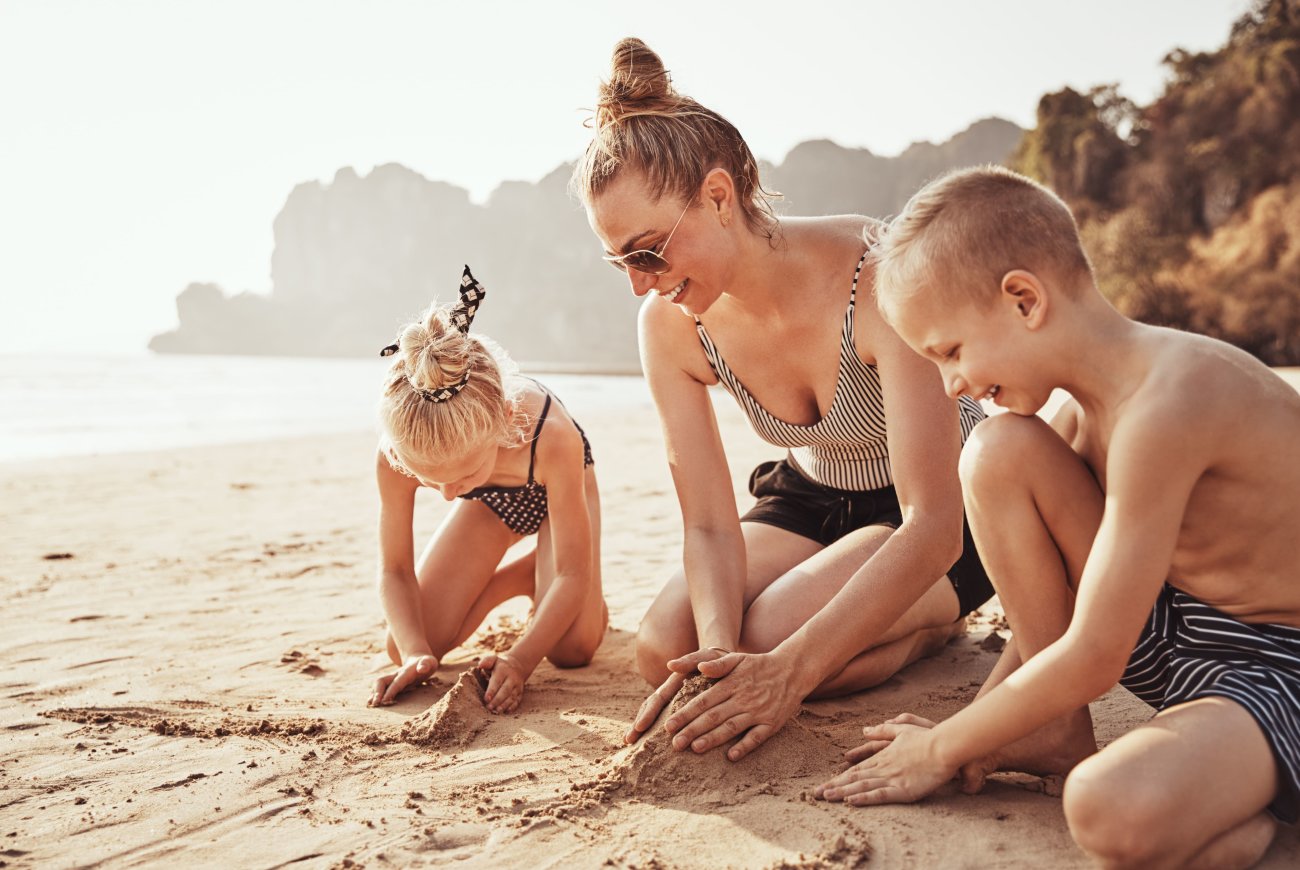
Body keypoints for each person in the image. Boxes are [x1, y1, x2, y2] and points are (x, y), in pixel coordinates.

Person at [817, 165, 1300, 868]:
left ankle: (1246, 815)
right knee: (996, 451)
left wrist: (942, 746)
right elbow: (1061, 620)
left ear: (1023, 299)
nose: (952, 383)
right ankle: (1055, 731)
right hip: (1175, 629)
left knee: (1107, 809)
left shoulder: (1173, 398)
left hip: (1278, 666)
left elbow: (1096, 655)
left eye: (951, 351)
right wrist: (980, 726)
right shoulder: (1076, 416)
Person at [573, 38, 994, 760]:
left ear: (717, 195)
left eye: (649, 251)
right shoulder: (671, 325)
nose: (641, 282)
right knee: (665, 647)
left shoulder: (876, 275)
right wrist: (715, 660)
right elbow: (708, 526)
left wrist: (784, 675)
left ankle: (927, 626)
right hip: (812, 498)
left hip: (934, 517)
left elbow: (933, 525)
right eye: (622, 263)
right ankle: (857, 628)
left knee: (772, 637)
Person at [368, 266, 607, 714]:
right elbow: (395, 571)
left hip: (563, 484)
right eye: (429, 479)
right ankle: (520, 577)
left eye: (460, 476)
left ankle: (543, 570)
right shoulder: (399, 452)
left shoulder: (552, 437)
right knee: (403, 646)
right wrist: (419, 651)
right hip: (494, 501)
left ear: (500, 427)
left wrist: (519, 661)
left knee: (572, 650)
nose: (445, 495)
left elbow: (573, 575)